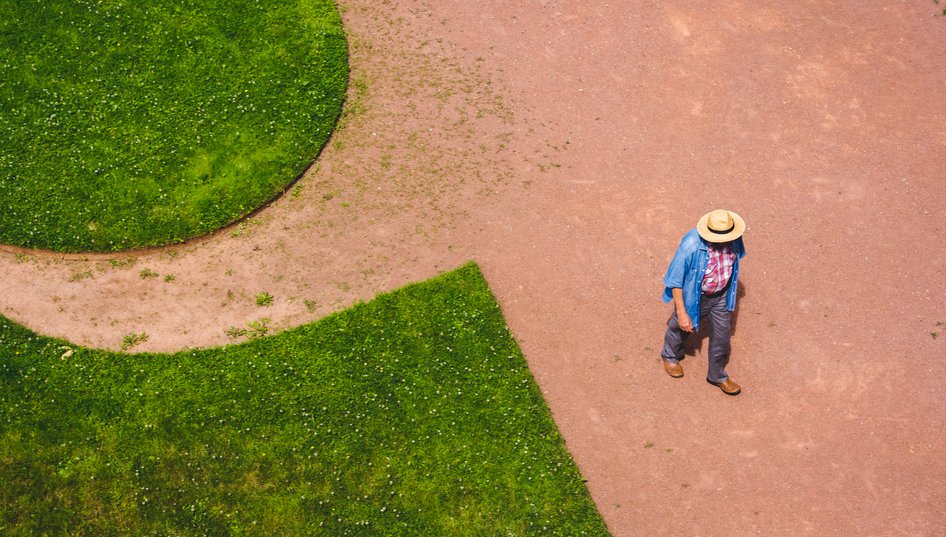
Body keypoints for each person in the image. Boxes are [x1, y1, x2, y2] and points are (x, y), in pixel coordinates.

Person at [660, 209, 746, 395]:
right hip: (697, 295)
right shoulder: (691, 245)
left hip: (722, 295)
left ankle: (717, 376)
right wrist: (683, 313)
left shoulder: (735, 238)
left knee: (723, 336)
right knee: (682, 326)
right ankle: (671, 355)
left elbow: (734, 262)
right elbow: (675, 280)